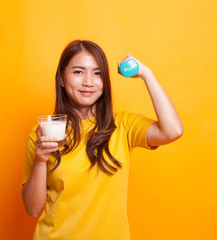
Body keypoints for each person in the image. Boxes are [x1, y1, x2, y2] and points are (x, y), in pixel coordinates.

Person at [22, 40, 183, 240]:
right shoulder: (42, 134)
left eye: (97, 73)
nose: (88, 81)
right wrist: (40, 158)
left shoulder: (123, 126)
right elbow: (32, 208)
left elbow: (173, 131)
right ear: (62, 79)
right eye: (78, 72)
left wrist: (145, 73)